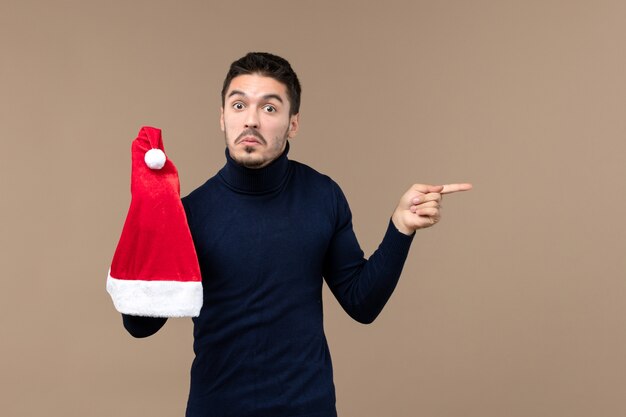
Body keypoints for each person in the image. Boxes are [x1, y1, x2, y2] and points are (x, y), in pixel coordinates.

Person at [121, 52, 472, 417]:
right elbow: (139, 327)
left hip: (309, 407)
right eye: (238, 105)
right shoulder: (189, 213)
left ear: (293, 124)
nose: (251, 120)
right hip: (217, 407)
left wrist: (401, 228)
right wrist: (148, 220)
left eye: (270, 108)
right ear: (222, 117)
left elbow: (361, 303)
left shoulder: (323, 196)